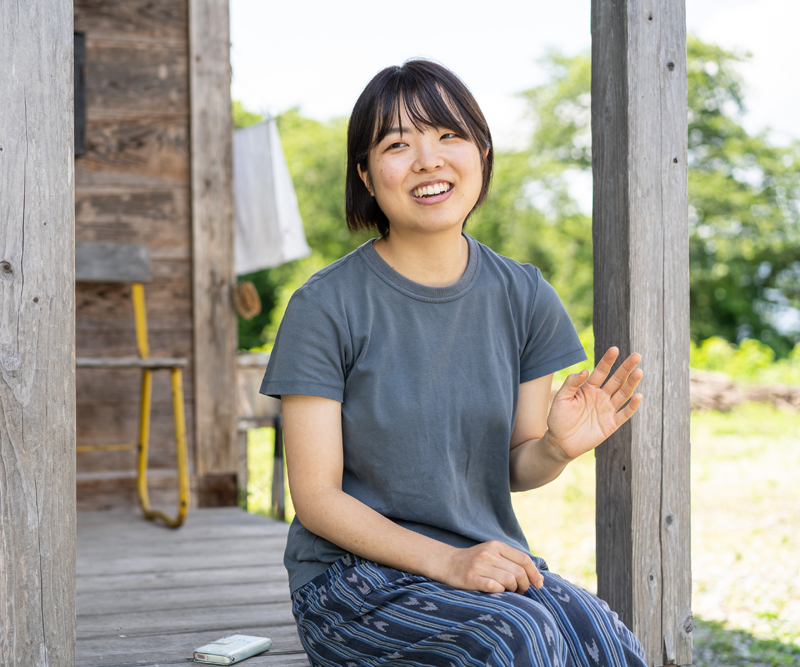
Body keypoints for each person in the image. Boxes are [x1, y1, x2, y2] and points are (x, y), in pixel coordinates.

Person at [259, 59, 648, 667]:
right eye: (397, 144)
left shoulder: (524, 295)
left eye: (448, 136)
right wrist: (449, 562)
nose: (427, 160)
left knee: (603, 636)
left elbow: (518, 463)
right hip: (351, 584)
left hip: (481, 564)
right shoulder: (324, 305)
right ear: (365, 173)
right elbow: (314, 497)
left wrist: (556, 447)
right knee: (512, 640)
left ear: (482, 153)